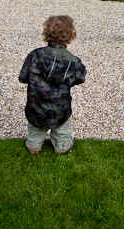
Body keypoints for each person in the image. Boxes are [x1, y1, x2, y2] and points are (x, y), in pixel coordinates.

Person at [18, 15, 87, 155]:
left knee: (35, 129)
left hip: (36, 106)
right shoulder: (74, 62)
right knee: (62, 129)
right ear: (70, 37)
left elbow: (23, 77)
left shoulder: (34, 56)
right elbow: (80, 78)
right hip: (60, 109)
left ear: (46, 34)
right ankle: (61, 146)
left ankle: (34, 145)